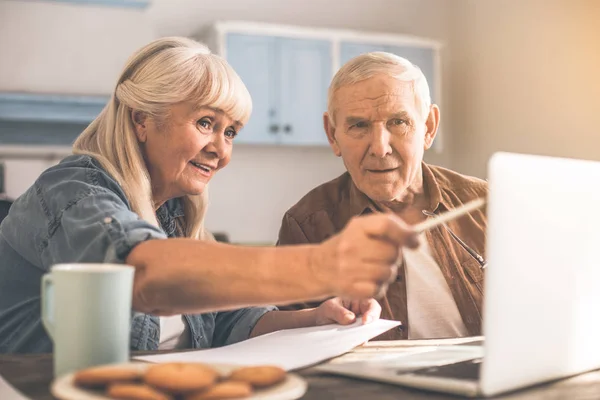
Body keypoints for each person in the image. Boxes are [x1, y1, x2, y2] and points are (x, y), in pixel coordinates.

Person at [0, 38, 418, 354]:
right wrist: (322, 266)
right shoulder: (73, 191)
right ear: (142, 119)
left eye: (231, 131)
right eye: (205, 123)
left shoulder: (176, 216)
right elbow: (142, 277)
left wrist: (314, 317)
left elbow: (227, 322)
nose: (221, 148)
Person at [278, 52, 488, 340]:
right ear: (332, 134)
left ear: (428, 127)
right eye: (359, 126)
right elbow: (292, 348)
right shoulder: (306, 226)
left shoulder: (485, 204)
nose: (379, 148)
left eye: (398, 122)